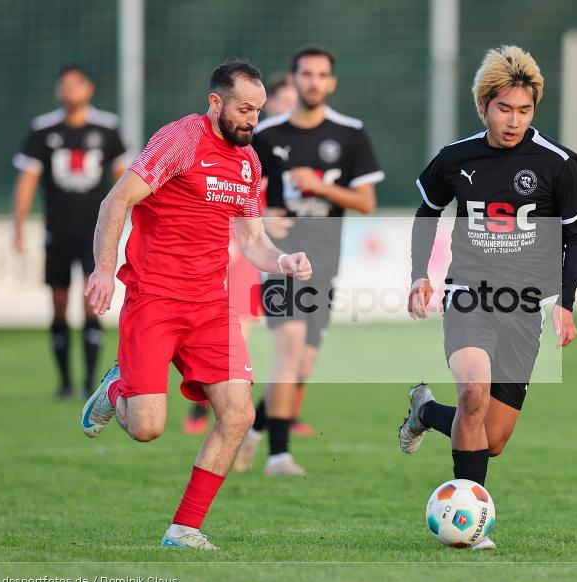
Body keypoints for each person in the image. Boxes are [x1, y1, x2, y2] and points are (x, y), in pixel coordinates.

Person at [80, 59, 312, 550]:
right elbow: (115, 201)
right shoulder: (181, 142)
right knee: (147, 428)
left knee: (239, 413)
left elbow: (252, 241)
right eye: (244, 109)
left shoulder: (248, 163)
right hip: (155, 300)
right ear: (215, 103)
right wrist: (103, 270)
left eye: (258, 110)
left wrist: (283, 259)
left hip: (210, 305)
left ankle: (184, 528)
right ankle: (116, 389)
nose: (253, 120)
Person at [398, 46, 577, 550]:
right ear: (484, 105)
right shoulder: (456, 158)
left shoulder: (557, 163)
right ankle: (472, 525)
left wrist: (566, 303)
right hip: (469, 294)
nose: (514, 121)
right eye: (504, 109)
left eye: (524, 110)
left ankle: (424, 412)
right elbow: (428, 212)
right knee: (473, 392)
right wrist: (420, 274)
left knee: (493, 438)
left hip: (524, 308)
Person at [231, 45, 384, 476]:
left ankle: (254, 428)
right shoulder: (267, 136)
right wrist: (261, 217)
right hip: (281, 262)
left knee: (303, 364)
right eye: (306, 74)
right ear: (294, 80)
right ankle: (279, 456)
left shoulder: (350, 133)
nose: (314, 81)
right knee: (289, 348)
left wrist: (320, 187)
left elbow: (366, 202)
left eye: (322, 75)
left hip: (325, 262)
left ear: (331, 83)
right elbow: (238, 192)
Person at [182, 74, 299, 436]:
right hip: (223, 250)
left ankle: (245, 415)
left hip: (250, 251)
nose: (285, 110)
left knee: (242, 333)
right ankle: (204, 410)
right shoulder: (243, 140)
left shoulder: (270, 152)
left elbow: (262, 204)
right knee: (221, 334)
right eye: (283, 102)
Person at [12, 66, 127, 399]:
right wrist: (18, 225)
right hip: (58, 230)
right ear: (58, 91)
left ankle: (90, 381)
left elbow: (125, 180)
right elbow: (28, 179)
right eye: (64, 85)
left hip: (97, 232)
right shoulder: (43, 129)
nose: (70, 91)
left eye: (76, 84)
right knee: (59, 303)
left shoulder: (107, 128)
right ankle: (65, 383)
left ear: (88, 88)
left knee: (91, 302)